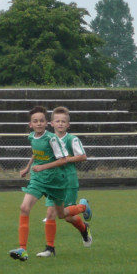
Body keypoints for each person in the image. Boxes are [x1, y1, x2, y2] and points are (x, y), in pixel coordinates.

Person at [10, 106, 71, 261]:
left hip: (55, 180)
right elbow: (36, 153)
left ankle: (82, 207)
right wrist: (27, 168)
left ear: (46, 123)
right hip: (38, 179)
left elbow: (63, 160)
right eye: (35, 121)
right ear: (30, 124)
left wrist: (43, 167)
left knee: (61, 214)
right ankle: (23, 250)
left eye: (41, 121)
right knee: (24, 208)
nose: (38, 123)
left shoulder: (52, 138)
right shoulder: (31, 137)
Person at [42, 106, 93, 255]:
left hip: (68, 181)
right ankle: (50, 248)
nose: (60, 123)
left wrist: (65, 160)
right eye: (57, 121)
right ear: (52, 123)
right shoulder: (48, 139)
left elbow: (83, 156)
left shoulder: (72, 139)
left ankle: (83, 210)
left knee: (68, 217)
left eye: (63, 121)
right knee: (50, 213)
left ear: (68, 124)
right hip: (53, 181)